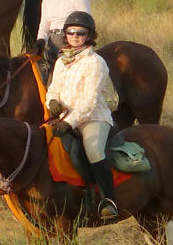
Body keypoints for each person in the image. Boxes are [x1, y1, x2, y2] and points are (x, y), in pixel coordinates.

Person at [44, 11, 120, 220]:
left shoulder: (95, 62)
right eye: (71, 32)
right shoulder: (61, 62)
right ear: (65, 34)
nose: (75, 36)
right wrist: (51, 101)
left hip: (93, 117)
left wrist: (69, 121)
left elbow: (90, 101)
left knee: (94, 150)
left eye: (81, 32)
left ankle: (108, 199)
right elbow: (53, 90)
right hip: (65, 118)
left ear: (89, 36)